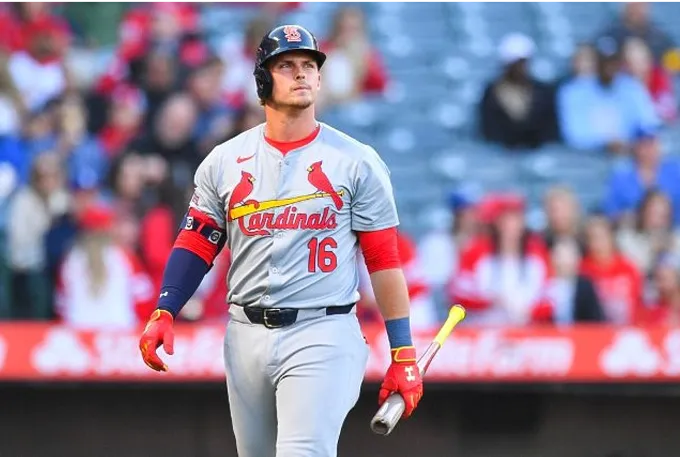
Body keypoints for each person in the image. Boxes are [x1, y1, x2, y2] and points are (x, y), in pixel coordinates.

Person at [138, 25, 423, 457]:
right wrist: (166, 307)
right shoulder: (225, 160)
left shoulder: (357, 161)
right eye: (286, 65)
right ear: (262, 81)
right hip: (245, 332)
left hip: (323, 328)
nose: (301, 74)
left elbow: (383, 260)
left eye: (309, 65)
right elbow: (198, 241)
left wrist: (402, 350)